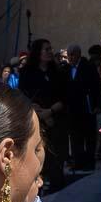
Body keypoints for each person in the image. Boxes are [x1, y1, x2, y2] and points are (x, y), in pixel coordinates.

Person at [18, 39, 68, 191]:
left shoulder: (57, 71)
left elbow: (64, 97)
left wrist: (50, 111)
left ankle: (57, 185)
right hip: (37, 118)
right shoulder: (27, 72)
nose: (49, 52)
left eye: (50, 49)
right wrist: (38, 111)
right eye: (46, 49)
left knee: (57, 154)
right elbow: (23, 95)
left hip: (56, 117)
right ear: (37, 52)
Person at [63, 44, 101, 171]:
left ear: (78, 54)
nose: (70, 57)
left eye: (72, 54)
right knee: (75, 138)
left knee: (89, 137)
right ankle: (78, 161)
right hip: (73, 110)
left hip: (87, 108)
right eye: (69, 55)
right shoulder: (66, 69)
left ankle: (89, 163)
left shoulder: (88, 67)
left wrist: (97, 105)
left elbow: (97, 87)